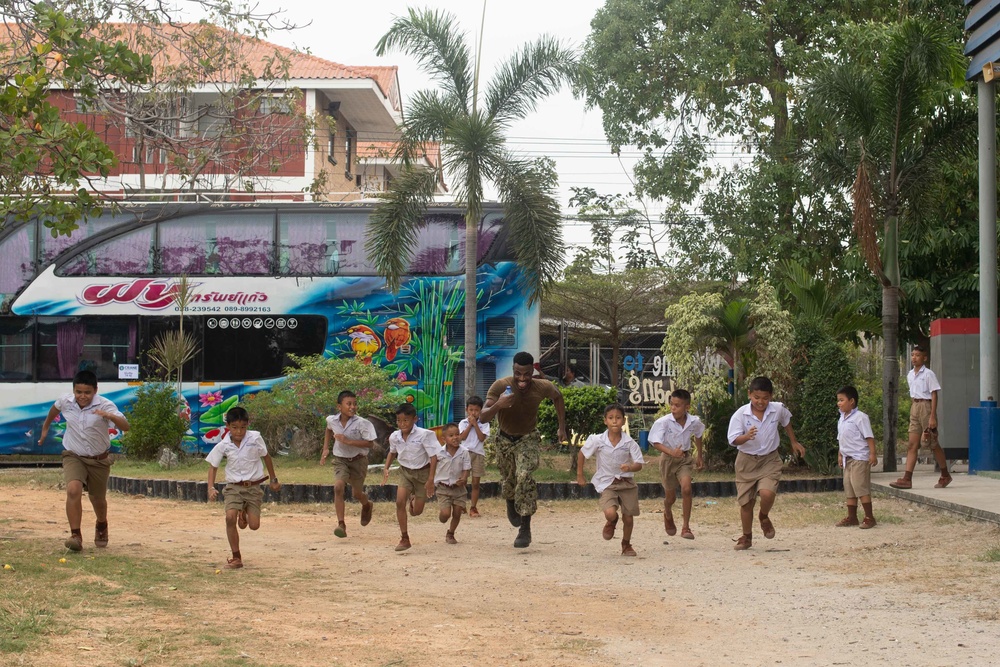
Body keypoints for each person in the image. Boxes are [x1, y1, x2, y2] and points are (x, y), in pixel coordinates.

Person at [480, 351, 568, 548]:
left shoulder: (541, 386)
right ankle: (510, 501)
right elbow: (483, 417)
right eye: (518, 373)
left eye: (526, 374)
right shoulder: (501, 386)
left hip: (527, 439)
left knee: (524, 475)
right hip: (504, 440)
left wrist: (561, 427)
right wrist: (499, 405)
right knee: (510, 480)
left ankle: (525, 528)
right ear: (513, 369)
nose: (522, 379)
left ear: (532, 372)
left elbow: (558, 397)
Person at [37, 370, 130, 552]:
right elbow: (54, 409)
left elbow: (125, 426)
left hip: (99, 459)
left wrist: (109, 416)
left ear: (95, 390)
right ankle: (75, 535)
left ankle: (101, 524)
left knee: (98, 499)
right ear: (74, 390)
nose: (82, 396)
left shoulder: (106, 405)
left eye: (87, 392)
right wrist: (45, 428)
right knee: (73, 490)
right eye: (79, 392)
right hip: (74, 455)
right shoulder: (66, 401)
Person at [727, 376, 806, 551]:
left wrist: (794, 441)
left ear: (771, 396)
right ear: (749, 394)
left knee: (767, 493)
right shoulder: (740, 415)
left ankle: (764, 516)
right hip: (746, 461)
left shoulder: (777, 409)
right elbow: (733, 439)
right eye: (756, 397)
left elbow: (786, 421)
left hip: (769, 459)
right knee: (746, 503)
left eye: (765, 398)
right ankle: (746, 537)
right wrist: (746, 437)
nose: (760, 402)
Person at [205, 407, 281, 569]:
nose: (239, 432)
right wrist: (211, 488)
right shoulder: (224, 445)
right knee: (229, 518)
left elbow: (266, 457)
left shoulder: (255, 438)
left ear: (247, 425)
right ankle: (236, 557)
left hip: (253, 487)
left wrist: (273, 479)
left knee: (254, 526)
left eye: (242, 427)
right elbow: (213, 466)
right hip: (233, 487)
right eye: (234, 428)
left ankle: (244, 513)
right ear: (228, 427)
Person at [576, 403, 645, 556]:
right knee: (610, 512)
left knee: (628, 517)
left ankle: (626, 544)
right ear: (605, 421)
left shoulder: (629, 443)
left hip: (627, 484)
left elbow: (639, 464)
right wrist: (580, 474)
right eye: (611, 418)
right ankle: (612, 521)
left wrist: (630, 468)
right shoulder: (597, 440)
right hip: (607, 483)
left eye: (618, 418)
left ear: (624, 421)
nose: (615, 421)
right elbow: (582, 454)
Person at [890, 345, 951, 489]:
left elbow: (934, 394)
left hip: (926, 406)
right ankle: (907, 478)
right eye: (912, 355)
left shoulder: (928, 374)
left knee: (932, 444)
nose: (914, 358)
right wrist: (913, 409)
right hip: (915, 406)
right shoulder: (910, 374)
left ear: (924, 358)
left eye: (917, 355)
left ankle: (945, 474)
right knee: (912, 444)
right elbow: (913, 394)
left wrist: (932, 416)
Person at [648, 389, 705, 540]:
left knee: (687, 488)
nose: (673, 408)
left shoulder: (694, 421)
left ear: (687, 407)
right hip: (668, 460)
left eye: (677, 405)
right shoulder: (663, 422)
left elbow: (699, 434)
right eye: (672, 404)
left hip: (684, 459)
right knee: (670, 497)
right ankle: (667, 510)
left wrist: (699, 455)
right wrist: (671, 452)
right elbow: (655, 442)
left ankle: (686, 526)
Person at [382, 403, 440, 552]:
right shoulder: (395, 436)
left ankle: (414, 498)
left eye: (406, 420)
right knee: (399, 502)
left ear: (415, 419)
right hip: (405, 472)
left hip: (423, 474)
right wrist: (386, 468)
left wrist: (431, 480)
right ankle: (404, 538)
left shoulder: (425, 435)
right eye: (399, 421)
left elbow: (434, 457)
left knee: (416, 512)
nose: (402, 424)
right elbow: (392, 452)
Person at [319, 390, 377, 538]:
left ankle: (366, 504)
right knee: (338, 487)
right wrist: (325, 448)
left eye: (355, 404)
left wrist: (348, 441)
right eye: (349, 404)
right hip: (341, 459)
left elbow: (370, 444)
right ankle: (341, 524)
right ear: (339, 407)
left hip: (358, 460)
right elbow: (328, 429)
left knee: (357, 493)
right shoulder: (332, 420)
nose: (352, 407)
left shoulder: (362, 423)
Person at [836, 386, 878, 529]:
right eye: (838, 401)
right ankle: (852, 517)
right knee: (849, 487)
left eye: (842, 400)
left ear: (852, 401)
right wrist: (840, 454)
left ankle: (869, 517)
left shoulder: (860, 417)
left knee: (860, 486)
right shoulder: (841, 419)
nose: (839, 403)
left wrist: (872, 454)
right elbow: (841, 438)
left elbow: (869, 437)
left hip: (859, 457)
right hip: (848, 458)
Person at [435, 423, 472, 544]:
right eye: (451, 435)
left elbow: (466, 468)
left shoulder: (464, 452)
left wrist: (464, 478)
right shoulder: (439, 453)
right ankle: (443, 516)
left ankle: (450, 533)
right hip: (443, 488)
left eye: (457, 434)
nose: (455, 437)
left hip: (459, 488)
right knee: (446, 514)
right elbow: (433, 468)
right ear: (444, 439)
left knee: (457, 513)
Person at [458, 395, 489, 518]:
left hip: (478, 454)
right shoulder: (462, 423)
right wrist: (470, 425)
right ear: (467, 410)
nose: (473, 412)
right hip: (464, 454)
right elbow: (462, 437)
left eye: (476, 410)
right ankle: (461, 505)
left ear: (480, 411)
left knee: (475, 482)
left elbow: (482, 438)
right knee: (462, 481)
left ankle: (473, 507)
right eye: (471, 410)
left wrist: (476, 424)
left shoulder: (484, 423)